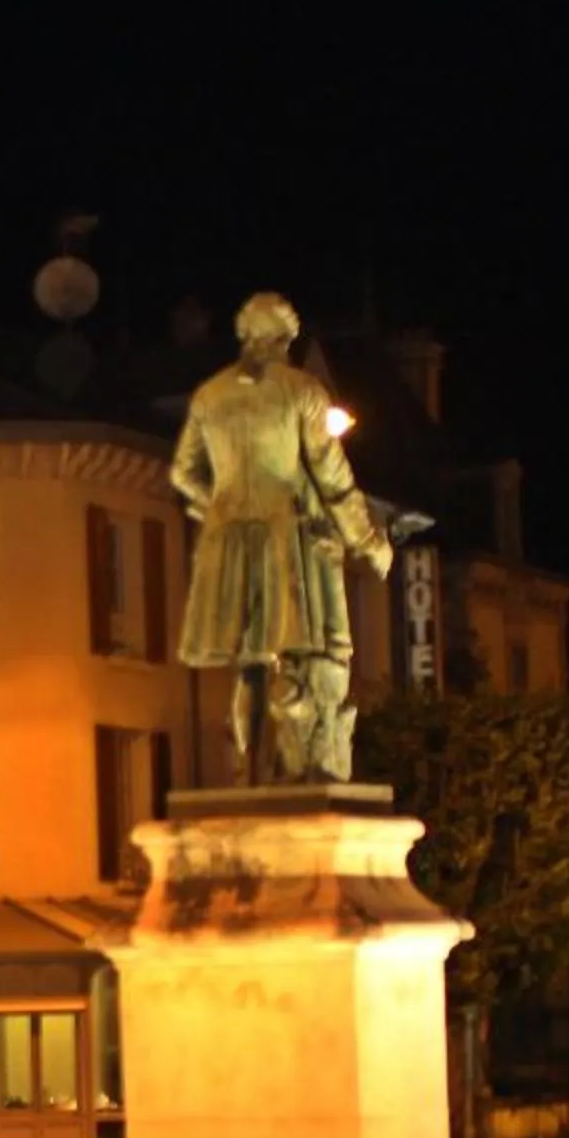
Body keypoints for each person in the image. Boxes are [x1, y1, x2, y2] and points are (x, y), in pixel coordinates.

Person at [168, 293, 393, 782]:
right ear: (285, 338)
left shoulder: (210, 395)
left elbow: (184, 474)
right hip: (281, 533)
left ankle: (245, 768)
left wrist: (216, 506)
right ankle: (303, 761)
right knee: (299, 650)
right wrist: (368, 540)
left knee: (248, 660)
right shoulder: (300, 390)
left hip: (225, 538)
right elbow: (332, 475)